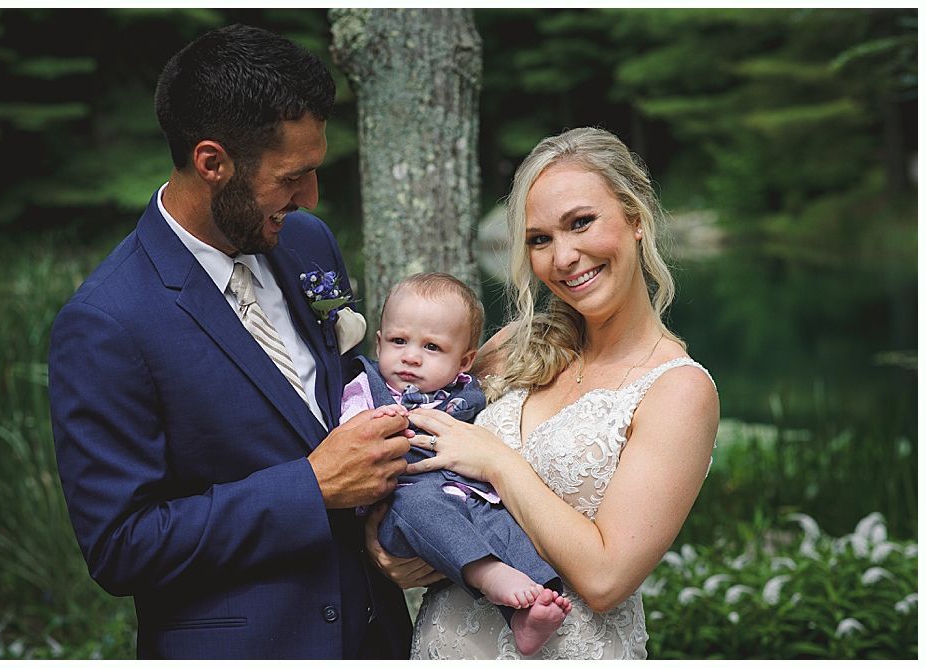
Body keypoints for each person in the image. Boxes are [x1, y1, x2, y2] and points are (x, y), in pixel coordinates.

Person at [48, 24, 414, 659]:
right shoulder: (106, 322)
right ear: (211, 162)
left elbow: (342, 393)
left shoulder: (307, 242)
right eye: (293, 177)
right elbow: (121, 547)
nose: (310, 198)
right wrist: (310, 487)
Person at [366, 127, 720, 659]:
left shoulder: (678, 389)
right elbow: (424, 467)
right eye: (539, 239)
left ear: (636, 218)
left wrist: (498, 463)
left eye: (581, 223)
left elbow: (605, 579)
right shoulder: (514, 347)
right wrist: (385, 545)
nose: (564, 257)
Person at [340, 272, 572, 656]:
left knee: (500, 519)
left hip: (464, 492)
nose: (411, 356)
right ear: (378, 343)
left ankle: (533, 606)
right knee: (422, 506)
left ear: (464, 361)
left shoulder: (467, 392)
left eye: (432, 347)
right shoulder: (366, 388)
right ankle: (489, 574)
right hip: (401, 504)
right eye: (398, 341)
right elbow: (350, 442)